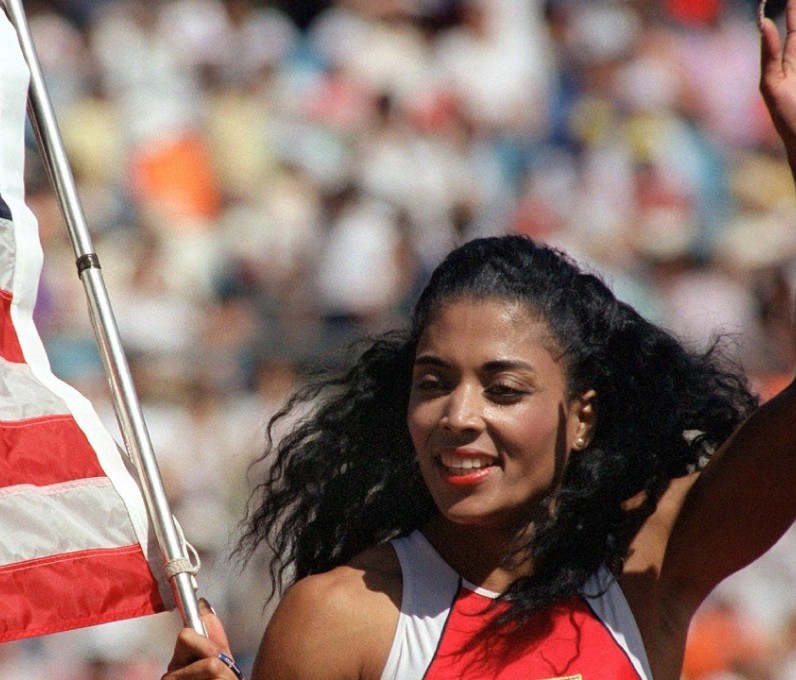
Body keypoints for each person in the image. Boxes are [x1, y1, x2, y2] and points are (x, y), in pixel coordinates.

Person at [162, 4, 796, 679]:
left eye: (503, 389)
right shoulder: (342, 618)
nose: (459, 417)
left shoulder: (650, 560)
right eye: (434, 382)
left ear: (582, 416)